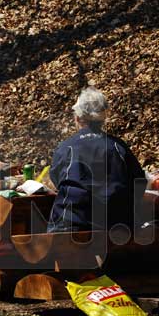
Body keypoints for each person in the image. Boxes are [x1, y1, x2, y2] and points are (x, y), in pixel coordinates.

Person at [47, 87, 146, 233]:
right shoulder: (118, 147)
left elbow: (56, 179)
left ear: (78, 118)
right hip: (117, 226)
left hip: (71, 225)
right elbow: (139, 181)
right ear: (103, 118)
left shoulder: (66, 148)